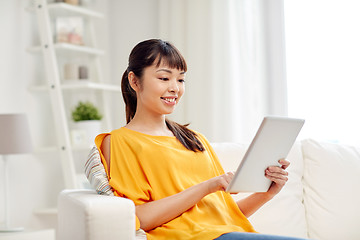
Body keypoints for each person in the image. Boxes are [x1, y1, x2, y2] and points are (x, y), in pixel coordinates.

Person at [95, 39, 305, 240]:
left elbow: (224, 216)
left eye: (180, 79)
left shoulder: (195, 140)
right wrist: (207, 186)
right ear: (134, 81)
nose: (175, 88)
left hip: (227, 234)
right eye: (164, 78)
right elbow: (139, 218)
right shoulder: (119, 141)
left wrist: (267, 193)